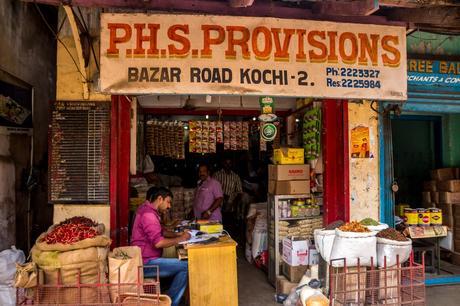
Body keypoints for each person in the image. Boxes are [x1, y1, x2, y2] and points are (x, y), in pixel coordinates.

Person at [131, 187, 191, 306]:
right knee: (187, 266)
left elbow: (160, 232)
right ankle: (171, 303)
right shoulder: (149, 215)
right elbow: (158, 242)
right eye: (168, 202)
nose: (169, 206)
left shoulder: (146, 209)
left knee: (182, 266)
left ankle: (169, 297)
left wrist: (177, 234)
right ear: (160, 199)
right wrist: (181, 239)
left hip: (146, 260)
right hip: (145, 263)